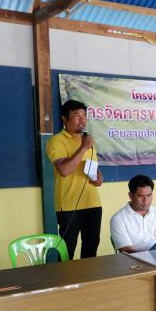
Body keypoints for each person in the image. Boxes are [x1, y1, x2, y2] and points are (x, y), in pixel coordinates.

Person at [47, 99, 103, 259]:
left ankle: (88, 276)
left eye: (84, 116)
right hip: (69, 205)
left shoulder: (87, 140)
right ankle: (65, 277)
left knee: (91, 249)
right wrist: (83, 147)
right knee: (67, 251)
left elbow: (94, 167)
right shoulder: (56, 141)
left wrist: (98, 177)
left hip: (93, 203)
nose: (82, 120)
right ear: (64, 118)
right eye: (77, 116)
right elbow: (64, 170)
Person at [110, 175, 156, 253]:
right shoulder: (118, 219)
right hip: (134, 260)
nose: (145, 200)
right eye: (140, 196)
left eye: (149, 195)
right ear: (130, 196)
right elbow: (126, 250)